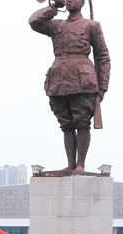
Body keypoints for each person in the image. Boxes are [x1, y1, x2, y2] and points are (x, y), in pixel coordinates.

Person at [29, 0, 110, 174]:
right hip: (58, 79)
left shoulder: (92, 25)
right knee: (65, 124)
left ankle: (80, 164)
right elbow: (34, 22)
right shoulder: (56, 24)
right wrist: (53, 7)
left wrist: (102, 87)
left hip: (83, 80)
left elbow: (102, 56)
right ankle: (70, 164)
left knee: (82, 122)